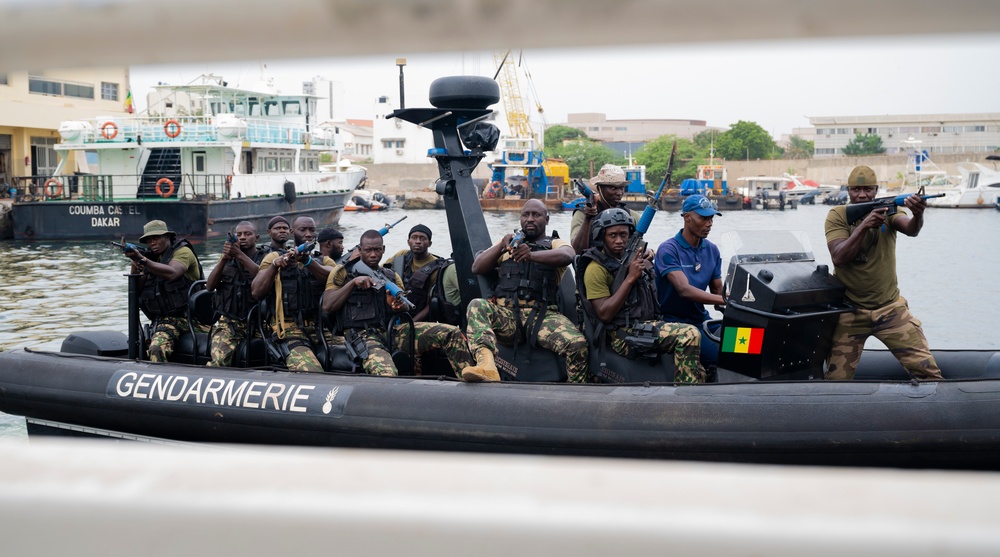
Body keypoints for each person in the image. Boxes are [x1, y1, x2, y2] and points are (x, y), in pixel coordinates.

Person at [824, 165, 943, 381]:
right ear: (848, 191)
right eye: (856, 190)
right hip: (850, 311)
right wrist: (864, 227)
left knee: (928, 374)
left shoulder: (889, 210)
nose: (862, 195)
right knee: (836, 382)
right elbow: (839, 258)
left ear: (876, 190)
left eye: (868, 189)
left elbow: (911, 229)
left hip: (890, 309)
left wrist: (919, 214)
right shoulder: (838, 215)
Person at [462, 199, 588, 383]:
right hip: (508, 316)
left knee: (578, 345)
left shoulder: (554, 243)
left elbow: (568, 255)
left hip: (543, 317)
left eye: (536, 215)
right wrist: (500, 247)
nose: (530, 219)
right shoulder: (508, 244)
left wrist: (531, 256)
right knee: (477, 306)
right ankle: (487, 366)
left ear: (546, 219)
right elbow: (477, 267)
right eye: (525, 215)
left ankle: (576, 390)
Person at [322, 230, 474, 377]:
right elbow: (327, 306)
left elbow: (405, 306)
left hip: (391, 332)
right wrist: (353, 283)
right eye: (368, 250)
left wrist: (398, 306)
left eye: (377, 250)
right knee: (387, 373)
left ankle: (470, 380)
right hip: (362, 336)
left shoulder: (391, 276)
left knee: (451, 333)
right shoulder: (342, 273)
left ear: (384, 250)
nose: (373, 254)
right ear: (360, 250)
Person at [581, 209, 705, 383]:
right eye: (612, 235)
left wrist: (648, 261)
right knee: (689, 334)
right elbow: (604, 314)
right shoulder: (596, 269)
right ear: (602, 236)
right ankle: (686, 392)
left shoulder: (631, 258)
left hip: (643, 324)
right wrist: (631, 278)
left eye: (624, 235)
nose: (619, 241)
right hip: (622, 334)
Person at [250, 216, 332, 371]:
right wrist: (275, 267)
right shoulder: (274, 257)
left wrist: (309, 263)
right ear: (293, 232)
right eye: (303, 230)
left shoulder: (324, 260)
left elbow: (334, 276)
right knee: (312, 372)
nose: (308, 234)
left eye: (312, 230)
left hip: (321, 327)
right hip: (289, 329)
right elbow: (256, 291)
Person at [654, 194, 726, 367]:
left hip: (703, 322)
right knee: (724, 355)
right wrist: (727, 299)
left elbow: (718, 292)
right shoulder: (668, 250)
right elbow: (684, 290)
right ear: (687, 218)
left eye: (711, 218)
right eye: (703, 218)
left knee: (751, 342)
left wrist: (742, 306)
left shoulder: (712, 250)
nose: (709, 224)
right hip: (675, 324)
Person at [123, 220, 204, 362]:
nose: (152, 243)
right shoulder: (153, 259)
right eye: (148, 240)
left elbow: (172, 273)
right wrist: (135, 263)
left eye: (156, 238)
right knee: (156, 348)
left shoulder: (182, 252)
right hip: (165, 322)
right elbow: (136, 291)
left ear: (167, 237)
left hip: (192, 319)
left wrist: (142, 260)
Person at [204, 221, 267, 367]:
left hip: (259, 324)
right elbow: (209, 286)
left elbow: (262, 276)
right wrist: (225, 258)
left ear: (256, 238)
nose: (243, 237)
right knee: (218, 361)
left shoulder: (265, 257)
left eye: (247, 234)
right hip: (230, 324)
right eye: (239, 235)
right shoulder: (226, 259)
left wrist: (239, 255)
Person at [382, 224, 449, 322]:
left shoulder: (437, 267)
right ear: (408, 242)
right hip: (395, 312)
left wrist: (411, 325)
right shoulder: (402, 255)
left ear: (429, 243)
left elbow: (431, 305)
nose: (418, 241)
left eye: (423, 238)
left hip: (418, 318)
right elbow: (380, 271)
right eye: (414, 238)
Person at [570, 164, 642, 254]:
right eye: (613, 188)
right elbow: (577, 251)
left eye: (621, 188)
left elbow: (639, 248)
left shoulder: (632, 216)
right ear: (599, 188)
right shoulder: (582, 214)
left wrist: (648, 252)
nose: (619, 193)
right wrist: (587, 220)